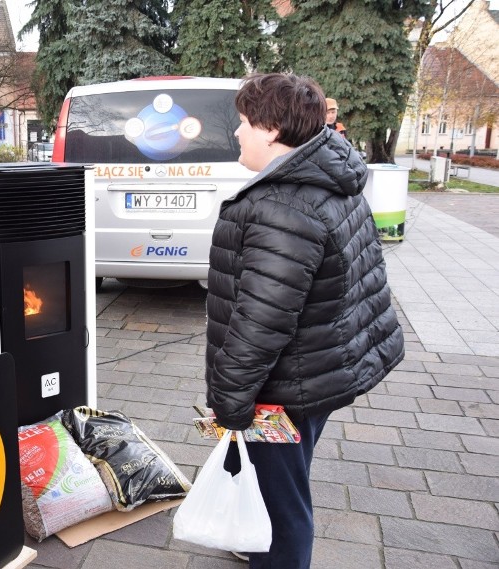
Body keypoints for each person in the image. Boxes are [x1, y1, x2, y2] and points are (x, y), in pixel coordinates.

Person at [204, 73, 403, 568]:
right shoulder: (329, 179)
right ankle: (255, 540)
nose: (237, 133)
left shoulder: (281, 206)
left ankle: (273, 551)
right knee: (283, 480)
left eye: (245, 122)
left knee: (281, 508)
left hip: (284, 387)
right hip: (319, 372)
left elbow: (261, 320)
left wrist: (229, 401)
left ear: (271, 130)